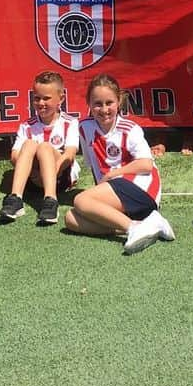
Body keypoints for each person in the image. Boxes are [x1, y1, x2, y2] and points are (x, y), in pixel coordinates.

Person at [65, 74, 175, 254]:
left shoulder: (130, 129)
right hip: (115, 191)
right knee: (71, 219)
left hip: (141, 187)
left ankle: (134, 228)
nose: (104, 109)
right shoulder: (84, 127)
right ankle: (145, 225)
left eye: (109, 103)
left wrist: (112, 175)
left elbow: (146, 164)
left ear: (119, 102)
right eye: (97, 104)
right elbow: (92, 164)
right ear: (89, 104)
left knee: (80, 200)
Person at [0, 72, 80, 226]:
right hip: (33, 179)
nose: (41, 103)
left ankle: (50, 200)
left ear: (60, 99)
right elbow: (14, 156)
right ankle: (15, 199)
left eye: (46, 98)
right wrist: (36, 174)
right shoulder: (26, 125)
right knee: (29, 144)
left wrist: (49, 173)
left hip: (60, 177)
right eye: (37, 98)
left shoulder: (70, 122)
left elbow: (69, 155)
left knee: (44, 147)